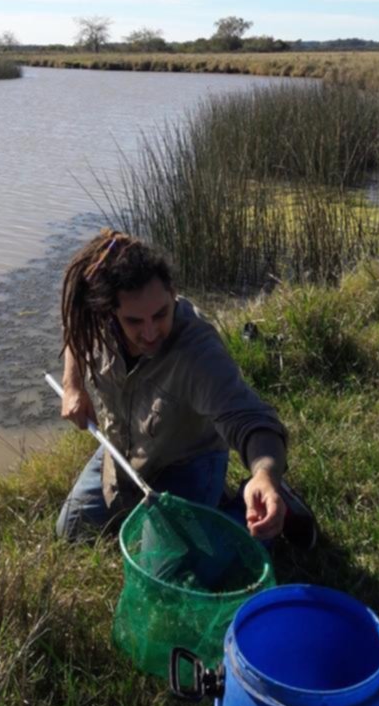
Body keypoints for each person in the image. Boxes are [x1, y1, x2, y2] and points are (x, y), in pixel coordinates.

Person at [55, 229, 316, 547]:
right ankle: (189, 509)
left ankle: (268, 506)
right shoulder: (97, 319)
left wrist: (265, 474)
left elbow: (251, 419)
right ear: (111, 312)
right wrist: (72, 386)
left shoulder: (198, 351)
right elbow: (75, 329)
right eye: (134, 321)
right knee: (71, 530)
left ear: (173, 293)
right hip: (123, 450)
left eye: (160, 314)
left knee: (169, 568)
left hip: (189, 461)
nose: (150, 332)